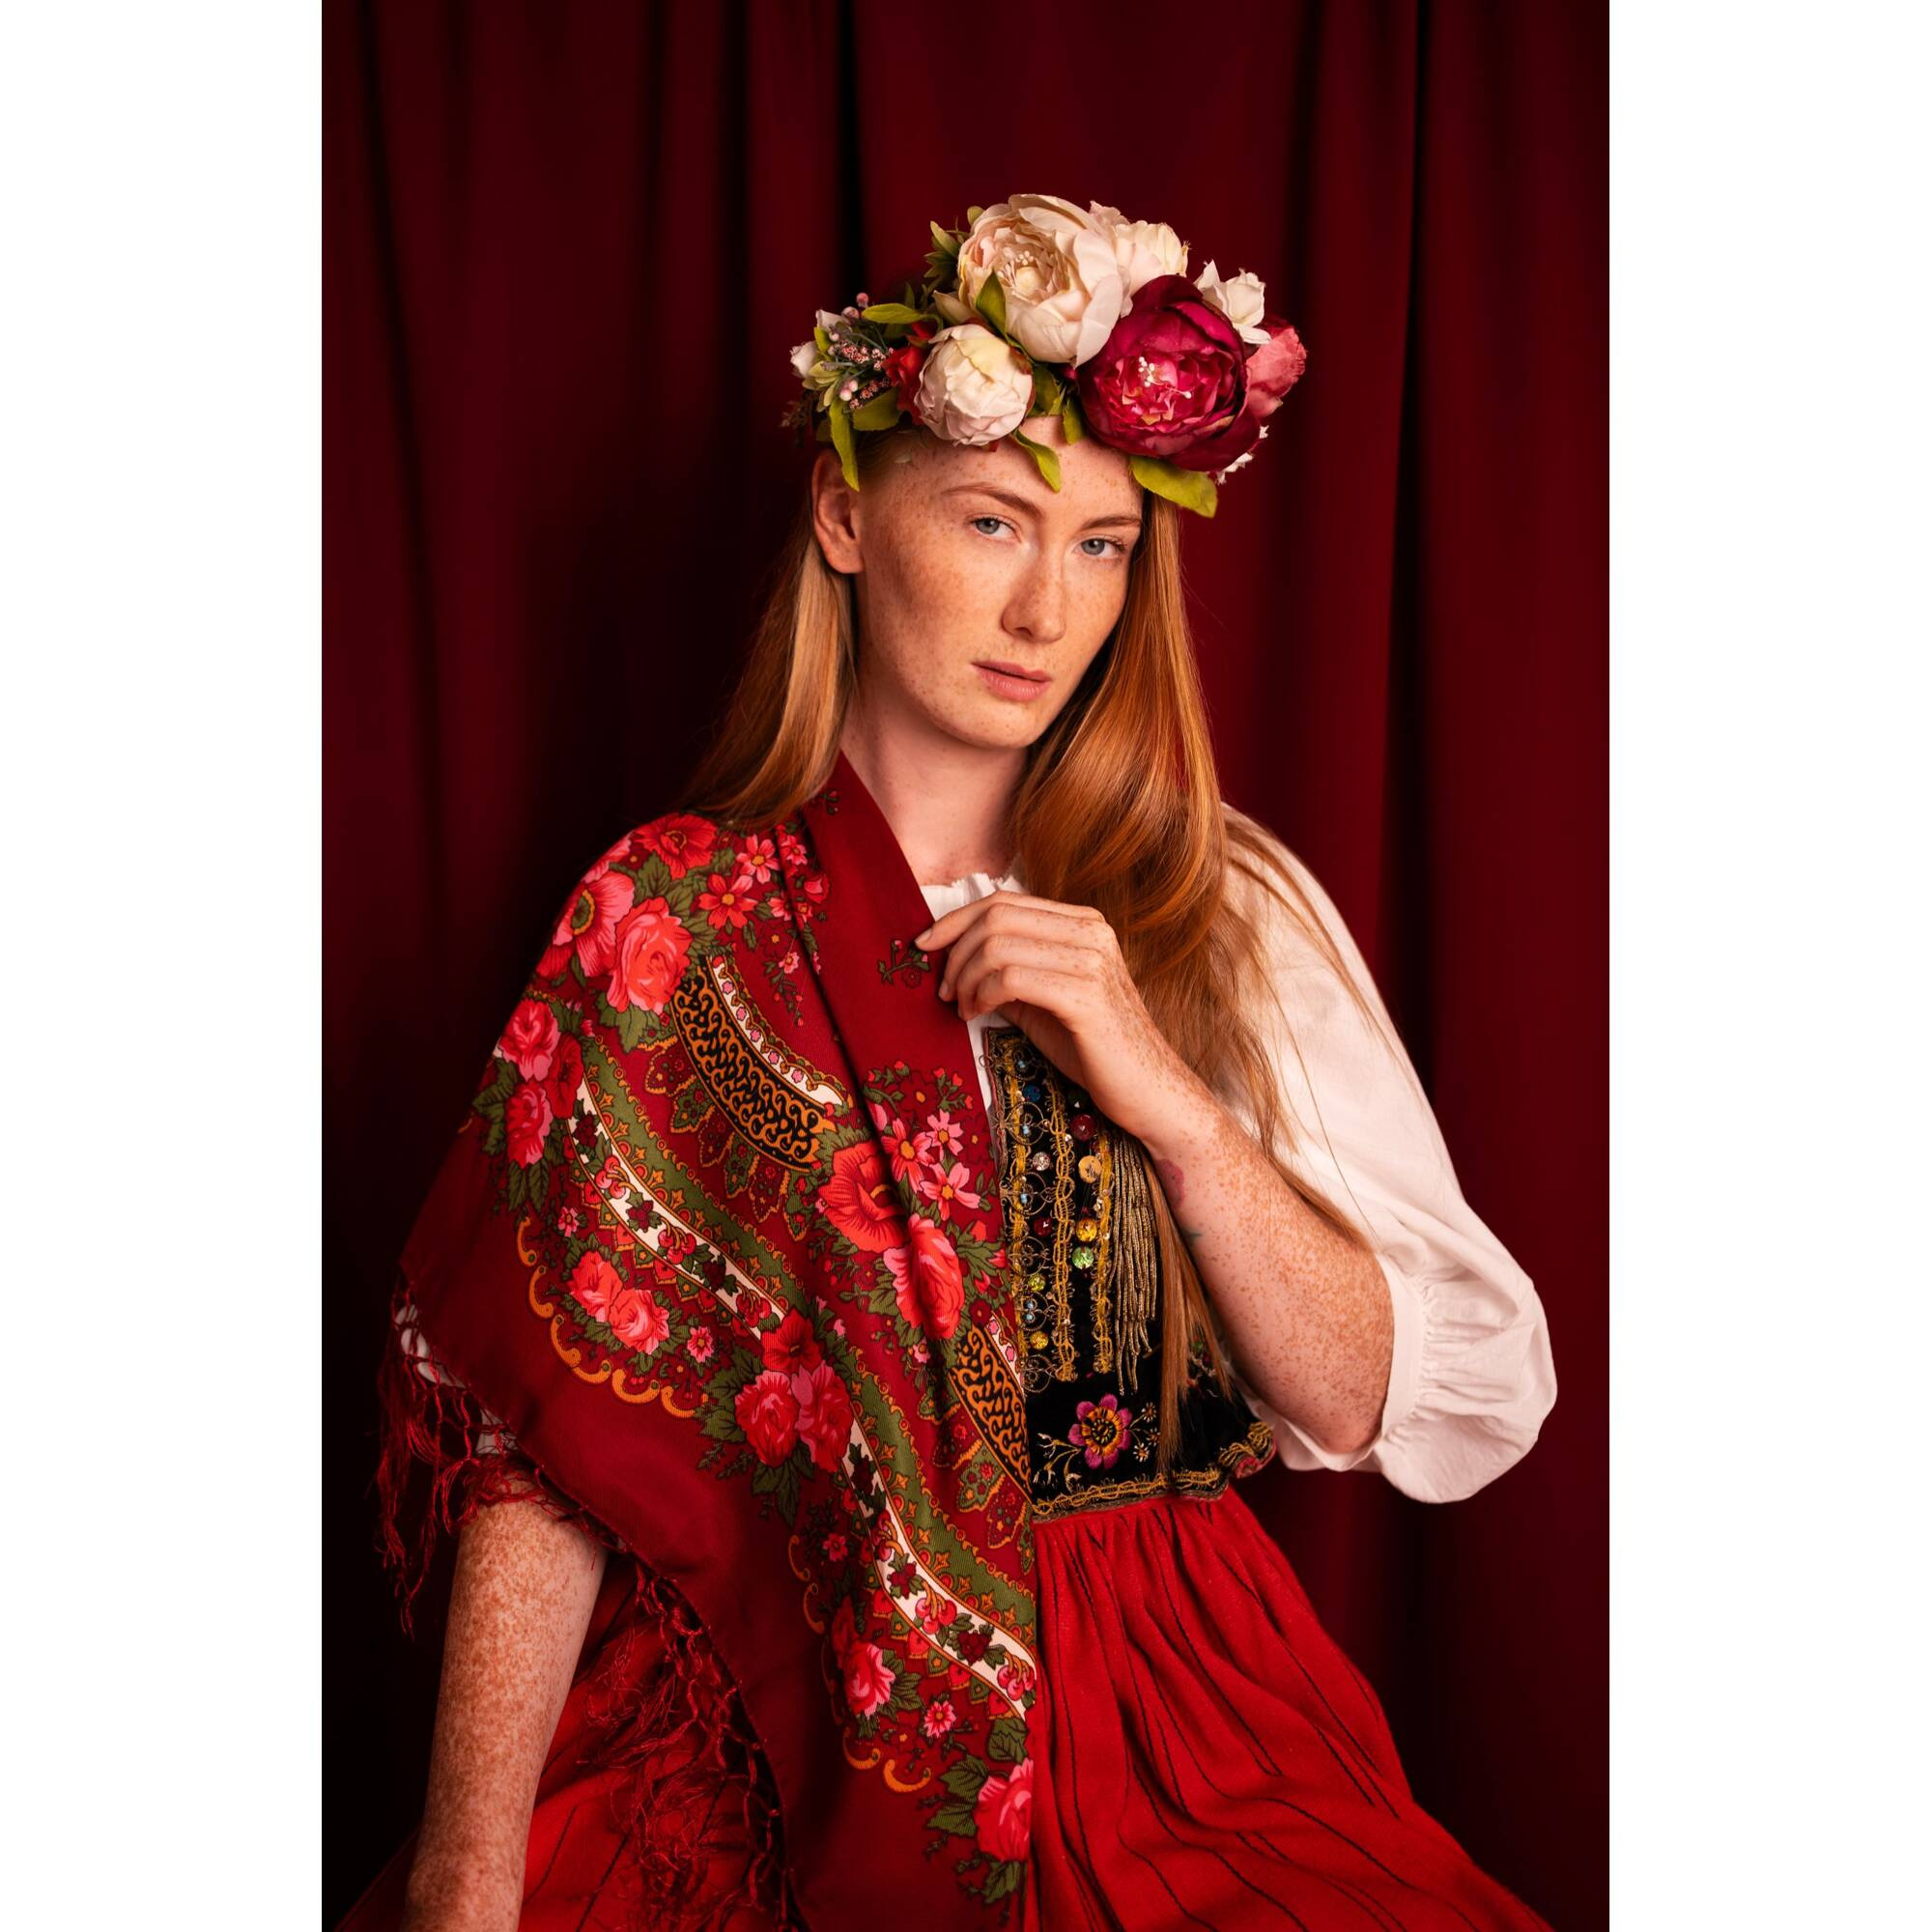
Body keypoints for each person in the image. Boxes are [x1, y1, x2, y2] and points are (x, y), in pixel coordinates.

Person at [342, 195, 1558, 1932]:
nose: (1046, 608)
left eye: (1103, 547)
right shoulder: (668, 913)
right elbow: (552, 1445)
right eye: (993, 522)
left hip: (1171, 1701)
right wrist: (466, 1879)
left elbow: (1394, 1403)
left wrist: (1166, 1099)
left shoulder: (1219, 908)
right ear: (848, 516)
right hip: (768, 1703)